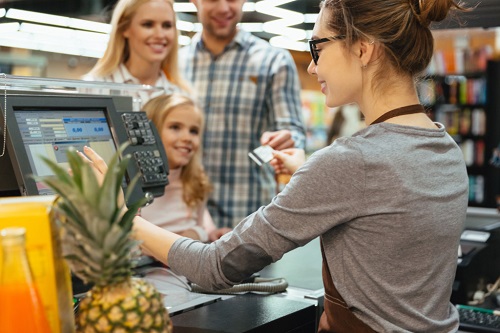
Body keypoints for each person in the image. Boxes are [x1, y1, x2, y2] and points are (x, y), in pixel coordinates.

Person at [86, 0, 470, 331]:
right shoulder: (444, 147)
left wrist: (125, 216)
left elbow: (212, 267)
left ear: (363, 49)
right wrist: (311, 169)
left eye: (317, 46)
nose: (312, 67)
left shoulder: (350, 163)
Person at [178, 0, 307, 228]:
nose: (223, 8)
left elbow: (294, 133)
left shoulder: (273, 61)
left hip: (248, 217)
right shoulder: (176, 63)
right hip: (185, 215)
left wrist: (286, 140)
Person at [140, 94, 231, 242]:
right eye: (175, 127)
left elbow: (202, 225)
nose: (187, 138)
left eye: (194, 131)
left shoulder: (196, 178)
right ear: (149, 132)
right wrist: (194, 235)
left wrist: (212, 233)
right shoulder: (129, 184)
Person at [83, 0, 190, 106]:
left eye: (167, 25)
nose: (160, 35)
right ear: (125, 28)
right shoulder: (93, 89)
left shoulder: (183, 96)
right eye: (148, 25)